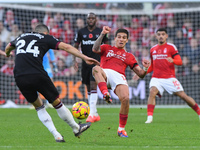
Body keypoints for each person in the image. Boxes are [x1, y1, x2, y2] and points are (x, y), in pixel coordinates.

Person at [4, 24, 100, 142]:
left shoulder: (21, 37)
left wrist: (8, 54)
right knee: (56, 103)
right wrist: (84, 57)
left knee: (39, 107)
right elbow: (66, 47)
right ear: (46, 33)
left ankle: (56, 135)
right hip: (36, 73)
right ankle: (76, 128)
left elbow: (8, 47)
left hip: (19, 76)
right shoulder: (45, 38)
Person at [92, 26, 150, 137]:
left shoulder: (129, 56)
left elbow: (141, 74)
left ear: (127, 40)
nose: (121, 39)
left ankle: (121, 129)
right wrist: (103, 34)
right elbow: (94, 49)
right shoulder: (106, 48)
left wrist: (146, 68)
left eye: (124, 38)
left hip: (119, 76)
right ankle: (105, 93)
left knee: (125, 99)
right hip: (105, 72)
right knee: (95, 68)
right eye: (119, 37)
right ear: (115, 38)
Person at [135, 28, 200, 124]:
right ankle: (149, 117)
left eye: (163, 34)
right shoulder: (153, 49)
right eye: (159, 34)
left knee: (183, 96)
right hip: (156, 77)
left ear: (166, 36)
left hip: (169, 78)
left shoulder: (171, 47)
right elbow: (152, 66)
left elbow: (180, 62)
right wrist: (142, 72)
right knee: (152, 92)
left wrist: (173, 60)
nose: (161, 36)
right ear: (156, 36)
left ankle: (199, 112)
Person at [74, 12, 109, 123]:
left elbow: (107, 46)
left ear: (96, 19)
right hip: (85, 63)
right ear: (87, 19)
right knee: (88, 88)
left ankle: (92, 113)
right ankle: (94, 112)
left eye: (93, 18)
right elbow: (75, 46)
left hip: (97, 63)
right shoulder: (81, 32)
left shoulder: (100, 32)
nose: (91, 20)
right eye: (89, 18)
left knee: (94, 86)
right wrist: (75, 60)